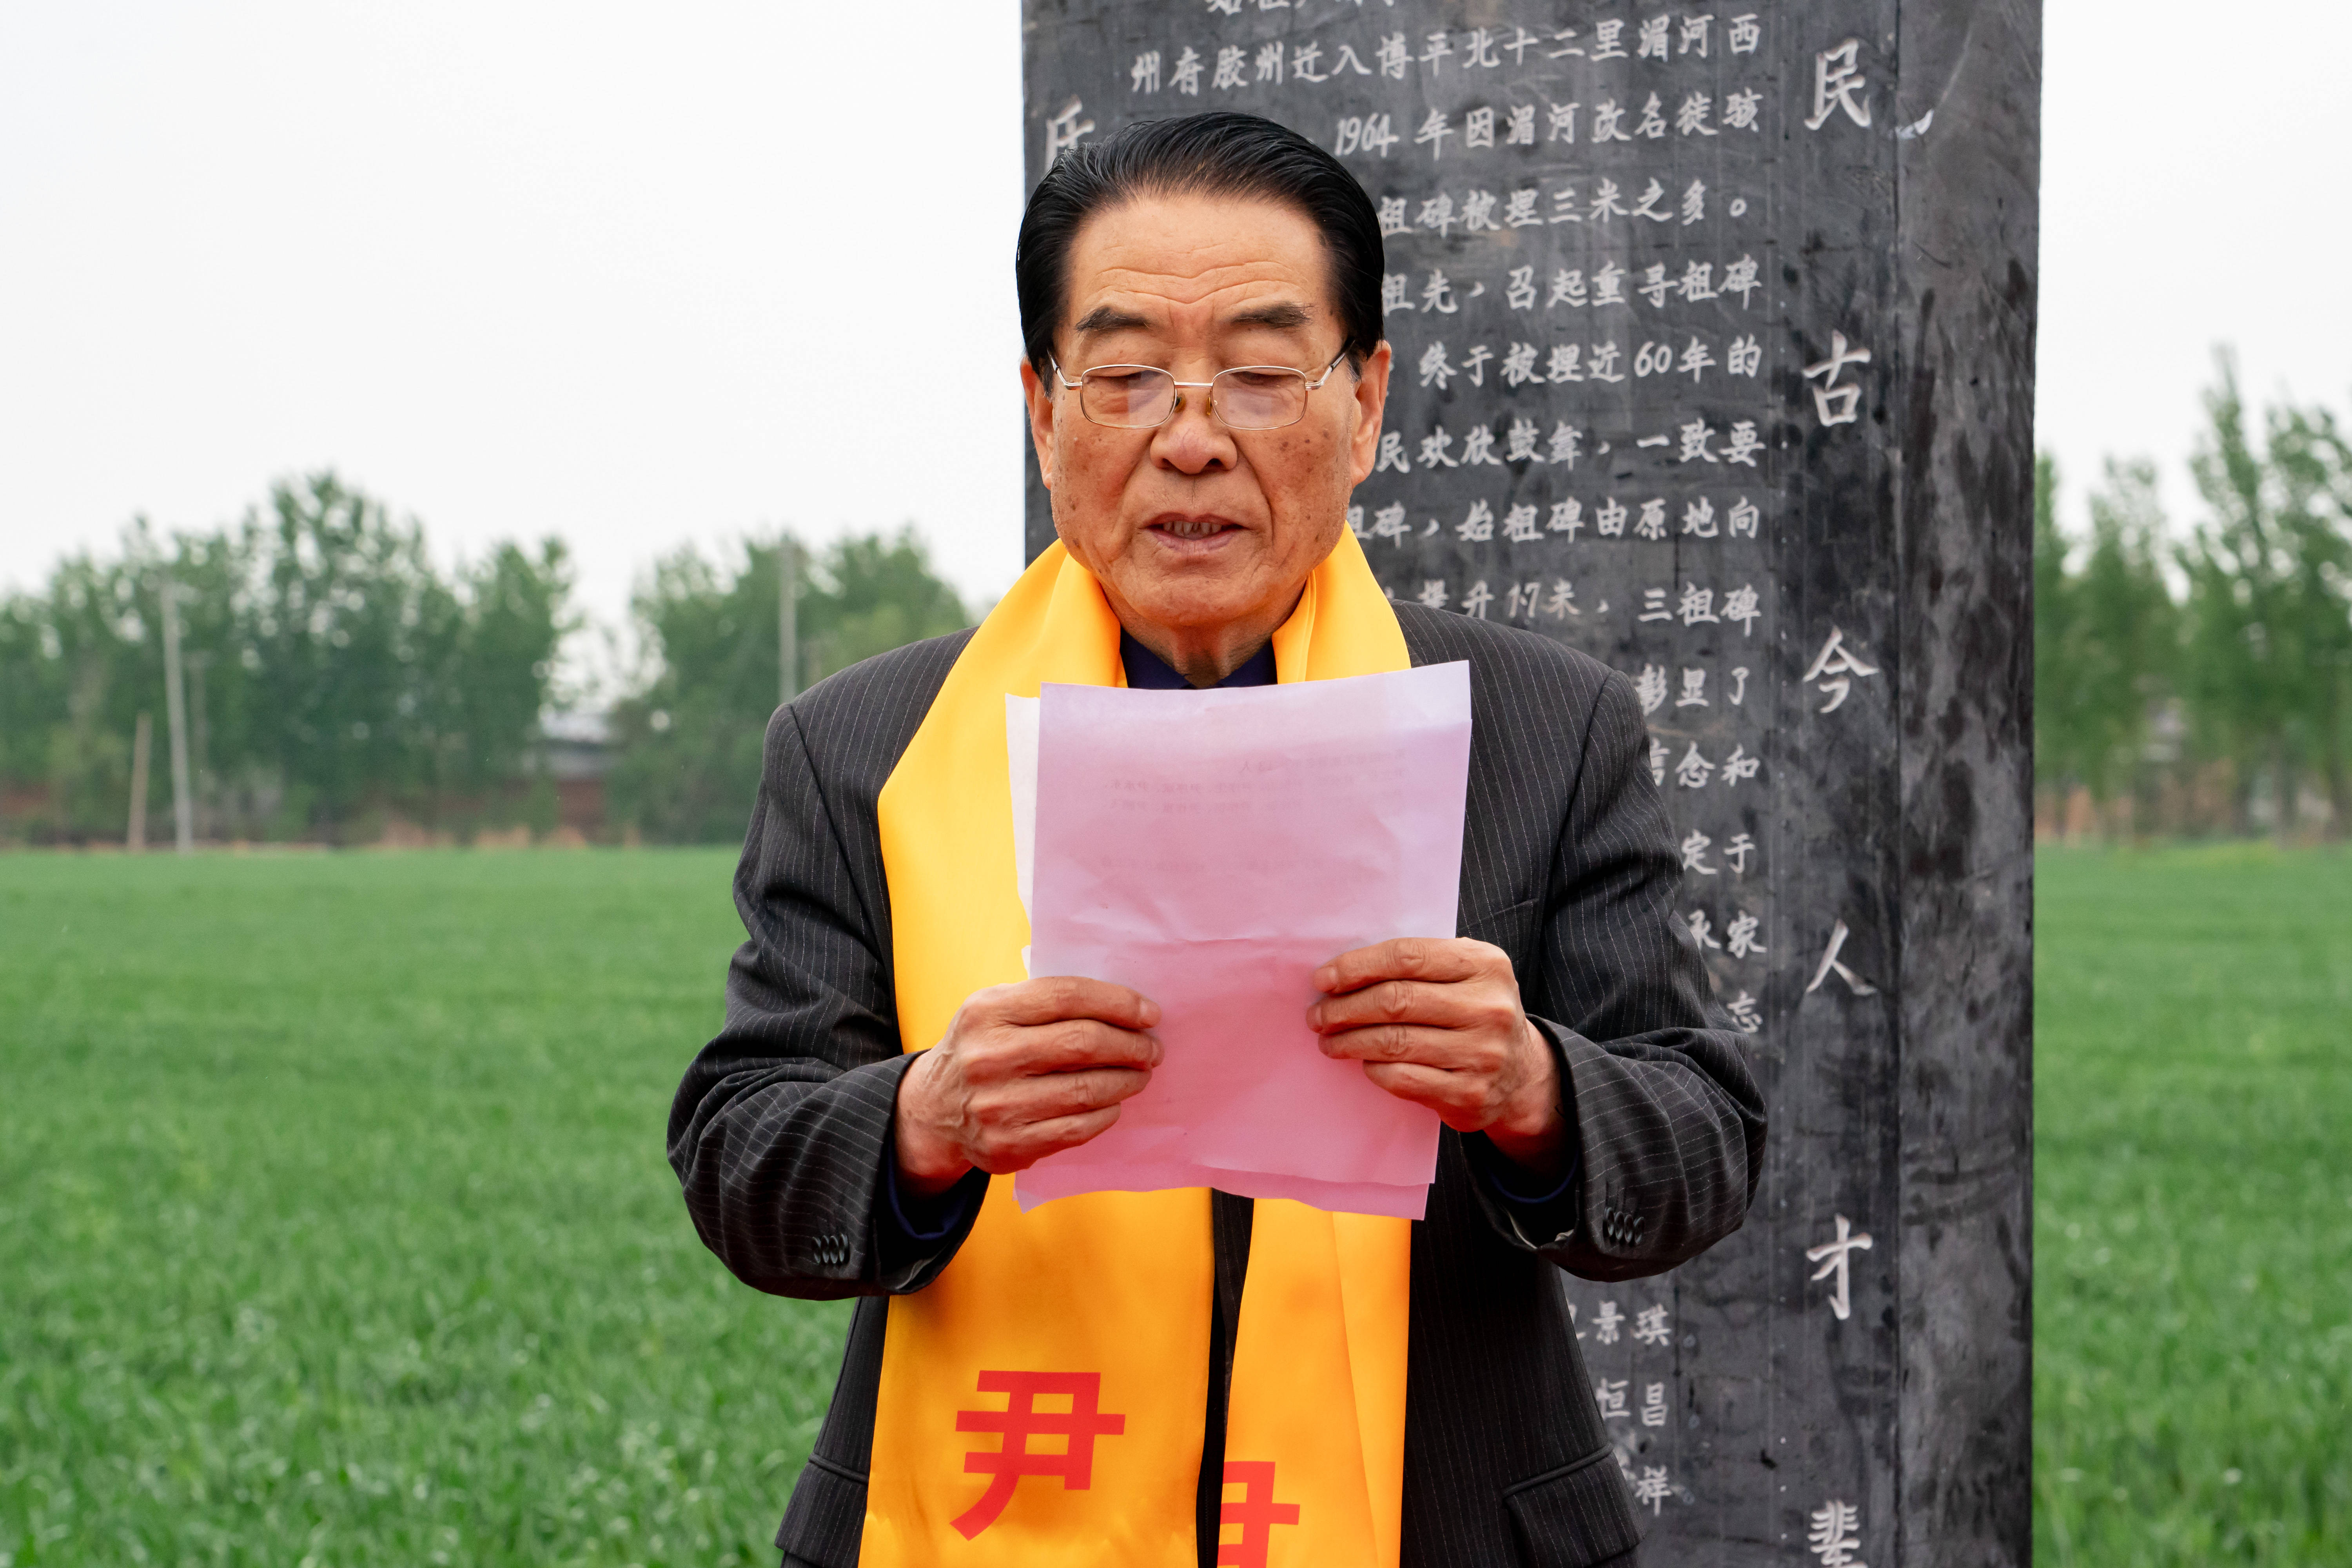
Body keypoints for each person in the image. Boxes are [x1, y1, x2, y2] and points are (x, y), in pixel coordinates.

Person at [668, 111, 1764, 1568]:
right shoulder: (867, 748)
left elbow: (1702, 1130)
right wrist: (923, 1122)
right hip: (984, 1504)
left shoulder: (1541, 728)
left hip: (1440, 1520)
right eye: (1126, 376)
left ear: (1367, 404)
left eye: (1258, 375)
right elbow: (742, 1149)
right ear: (1042, 409)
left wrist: (1531, 1087)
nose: (1191, 438)